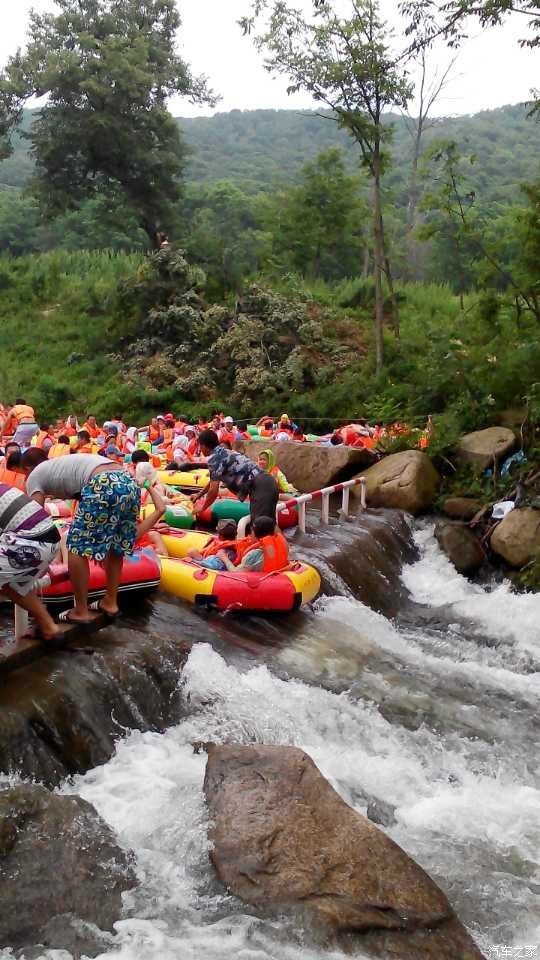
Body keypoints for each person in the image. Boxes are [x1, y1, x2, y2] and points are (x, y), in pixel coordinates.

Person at [22, 449, 141, 624]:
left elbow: (34, 517)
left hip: (103, 482)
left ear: (27, 468)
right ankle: (110, 602)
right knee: (116, 545)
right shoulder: (58, 465)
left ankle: (81, 610)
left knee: (76, 548)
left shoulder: (34, 476)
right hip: (128, 481)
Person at [0, 480, 64, 642]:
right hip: (48, 539)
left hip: (31, 540)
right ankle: (48, 626)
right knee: (12, 584)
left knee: (8, 580)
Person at [192, 430, 279, 523]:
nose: (200, 449)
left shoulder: (213, 459)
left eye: (200, 446)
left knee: (258, 526)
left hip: (260, 487)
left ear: (204, 446)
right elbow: (213, 481)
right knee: (270, 525)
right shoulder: (224, 452)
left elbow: (213, 491)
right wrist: (199, 494)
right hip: (267, 481)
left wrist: (202, 508)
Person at [216, 516, 289, 573]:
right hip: (275, 578)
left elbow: (235, 572)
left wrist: (224, 558)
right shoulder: (284, 546)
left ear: (255, 533)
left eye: (251, 531)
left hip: (260, 584)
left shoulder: (254, 555)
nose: (250, 534)